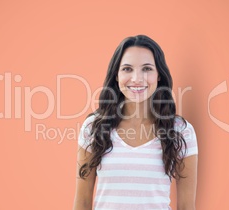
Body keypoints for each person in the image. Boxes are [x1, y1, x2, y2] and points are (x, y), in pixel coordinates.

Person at [73, 35, 198, 210]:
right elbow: (82, 202)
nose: (137, 79)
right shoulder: (94, 127)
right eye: (127, 69)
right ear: (116, 76)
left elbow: (186, 206)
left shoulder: (181, 131)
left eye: (147, 69)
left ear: (159, 75)